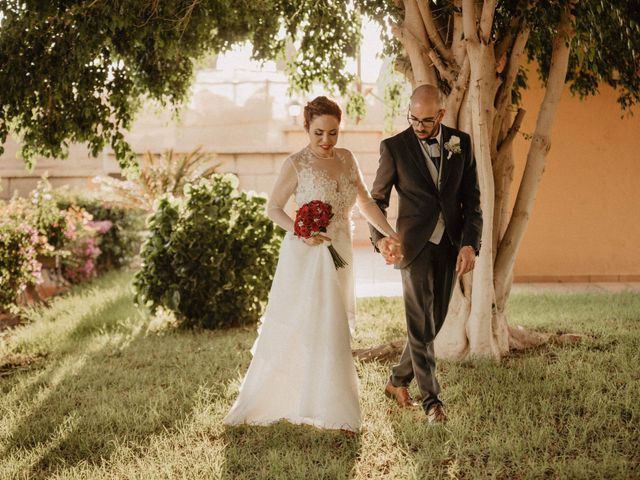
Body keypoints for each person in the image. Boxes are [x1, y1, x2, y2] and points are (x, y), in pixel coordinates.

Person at [224, 96, 401, 433]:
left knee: (333, 325)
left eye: (333, 133)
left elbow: (364, 201)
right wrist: (301, 230)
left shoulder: (347, 159)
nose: (326, 141)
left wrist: (390, 232)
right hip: (307, 254)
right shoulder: (296, 163)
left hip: (341, 253)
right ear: (306, 127)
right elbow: (273, 208)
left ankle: (327, 401)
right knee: (307, 323)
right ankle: (307, 402)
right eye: (319, 132)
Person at [369, 85, 482, 424]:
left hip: (449, 245)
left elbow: (472, 200)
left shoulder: (460, 143)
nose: (419, 126)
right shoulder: (394, 147)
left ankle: (396, 381)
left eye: (427, 120)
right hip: (412, 246)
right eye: (413, 118)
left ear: (442, 115)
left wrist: (468, 243)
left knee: (433, 320)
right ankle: (433, 402)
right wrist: (381, 240)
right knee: (419, 323)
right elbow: (377, 200)